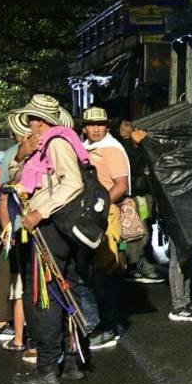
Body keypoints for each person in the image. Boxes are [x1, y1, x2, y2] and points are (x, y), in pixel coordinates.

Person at [8, 94, 86, 384]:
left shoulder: (56, 144)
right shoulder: (40, 148)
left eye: (31, 120)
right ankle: (71, 361)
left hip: (50, 230)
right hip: (51, 229)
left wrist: (41, 211)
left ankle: (47, 368)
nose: (28, 125)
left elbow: (73, 182)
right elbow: (18, 182)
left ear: (40, 122)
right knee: (65, 292)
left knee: (44, 296)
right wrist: (20, 155)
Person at [130, 126, 192, 324]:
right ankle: (179, 304)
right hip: (173, 211)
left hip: (177, 210)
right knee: (179, 257)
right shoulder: (164, 159)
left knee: (185, 256)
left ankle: (185, 301)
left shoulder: (170, 157)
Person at [80, 107, 131, 348]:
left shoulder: (111, 150)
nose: (96, 128)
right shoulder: (85, 148)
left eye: (100, 124)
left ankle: (109, 327)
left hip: (106, 217)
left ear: (107, 126)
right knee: (94, 273)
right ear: (84, 127)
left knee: (104, 273)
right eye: (91, 124)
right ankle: (107, 322)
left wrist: (100, 207)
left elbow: (121, 185)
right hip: (90, 217)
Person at [0, 114, 30, 354]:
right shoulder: (12, 155)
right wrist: (7, 230)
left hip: (17, 225)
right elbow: (4, 196)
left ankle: (11, 326)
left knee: (15, 278)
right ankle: (9, 326)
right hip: (15, 226)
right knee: (14, 278)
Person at [117, 119, 164, 284]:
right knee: (137, 232)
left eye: (127, 125)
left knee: (142, 231)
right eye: (123, 125)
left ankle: (140, 267)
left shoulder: (142, 145)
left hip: (142, 196)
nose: (123, 128)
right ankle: (136, 267)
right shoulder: (122, 147)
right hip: (134, 196)